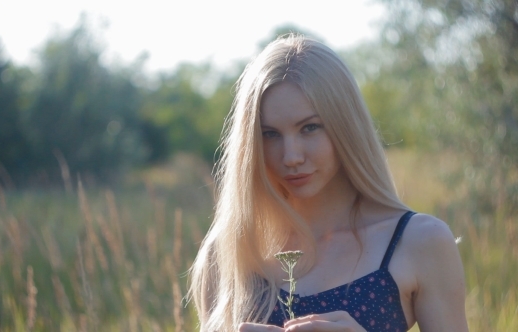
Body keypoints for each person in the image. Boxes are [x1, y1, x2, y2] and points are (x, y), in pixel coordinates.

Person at [188, 34, 468, 332]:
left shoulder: (418, 241)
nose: (291, 156)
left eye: (309, 128)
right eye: (270, 134)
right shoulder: (230, 251)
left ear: (345, 126)